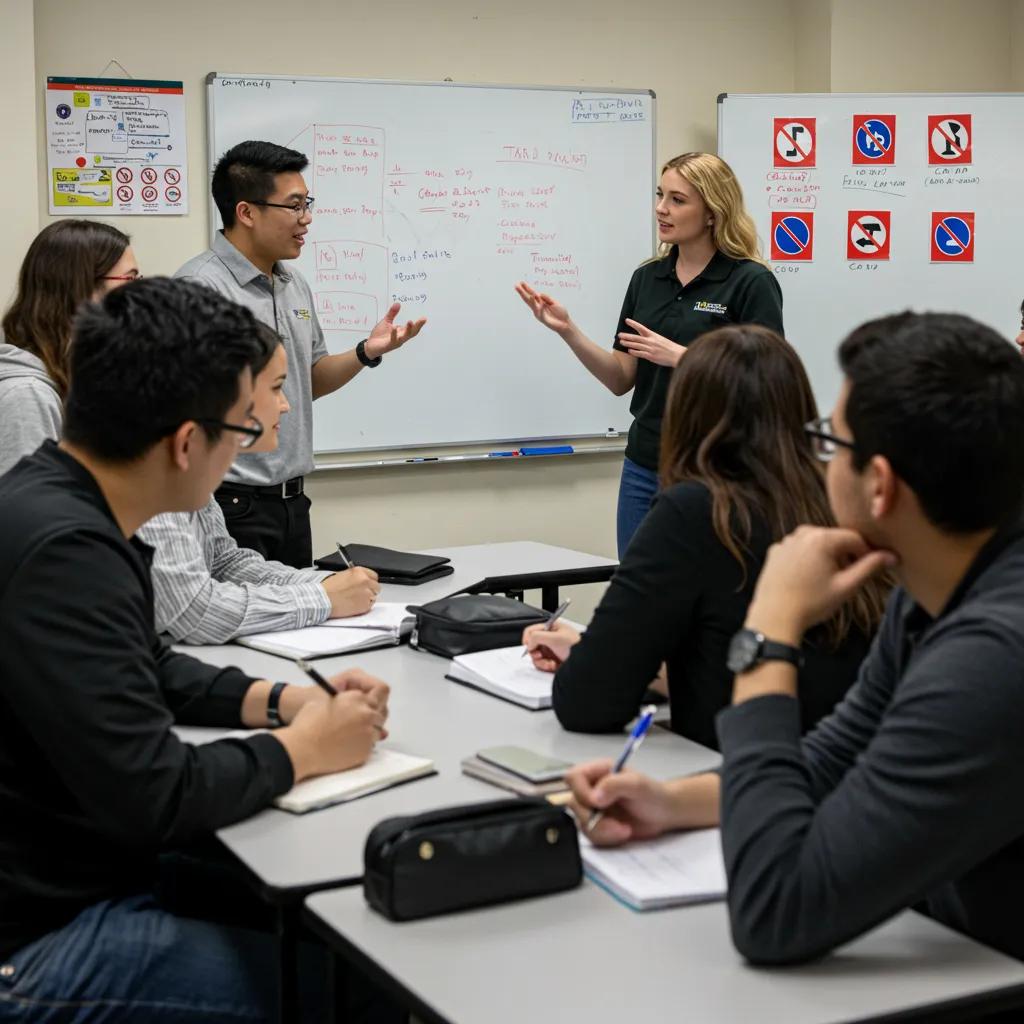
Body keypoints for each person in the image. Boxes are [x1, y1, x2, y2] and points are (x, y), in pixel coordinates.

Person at [566, 311, 1024, 967]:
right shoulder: (935, 586)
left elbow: (774, 911)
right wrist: (674, 802)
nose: (818, 461)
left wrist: (770, 631)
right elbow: (834, 762)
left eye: (830, 445)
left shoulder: (995, 655)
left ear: (881, 485)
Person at [0, 277, 394, 1020]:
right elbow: (155, 794)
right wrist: (307, 748)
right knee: (361, 984)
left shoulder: (56, 496)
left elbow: (140, 661)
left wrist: (277, 700)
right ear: (187, 444)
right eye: (245, 428)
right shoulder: (67, 552)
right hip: (41, 934)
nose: (266, 427)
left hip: (74, 868)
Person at [523, 325, 885, 750]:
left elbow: (587, 702)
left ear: (684, 414)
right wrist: (592, 649)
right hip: (842, 769)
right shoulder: (838, 502)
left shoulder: (697, 511)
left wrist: (592, 661)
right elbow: (744, 661)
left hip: (738, 777)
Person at [515, 152, 783, 556]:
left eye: (678, 200)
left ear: (712, 211)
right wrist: (568, 331)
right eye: (661, 195)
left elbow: (769, 384)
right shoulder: (647, 278)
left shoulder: (750, 281)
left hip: (716, 470)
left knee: (703, 599)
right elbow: (621, 378)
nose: (661, 209)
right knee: (639, 592)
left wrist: (684, 358)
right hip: (644, 464)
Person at [177, 140, 427, 568]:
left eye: (306, 203)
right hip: (229, 503)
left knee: (299, 622)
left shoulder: (292, 283)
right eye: (294, 206)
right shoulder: (201, 290)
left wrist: (366, 352)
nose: (306, 218)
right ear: (247, 212)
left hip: (292, 502)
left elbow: (307, 380)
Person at [139, 323, 381, 643]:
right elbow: (195, 612)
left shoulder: (195, 463)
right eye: (276, 388)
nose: (286, 405)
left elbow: (224, 562)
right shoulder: (153, 474)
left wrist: (323, 584)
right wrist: (324, 599)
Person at [0, 219, 137, 477]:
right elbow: (28, 512)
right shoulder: (26, 395)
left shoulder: (82, 372)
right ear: (82, 287)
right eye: (129, 280)